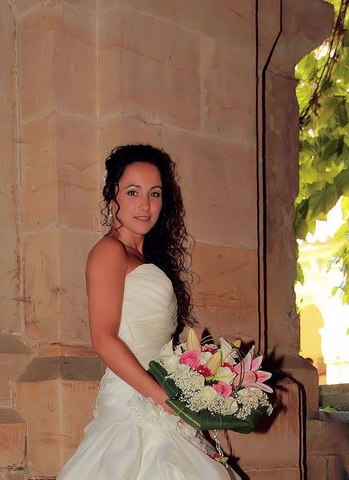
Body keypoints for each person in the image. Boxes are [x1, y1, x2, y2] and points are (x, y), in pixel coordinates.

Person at [57, 145, 239, 479]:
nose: (145, 205)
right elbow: (103, 339)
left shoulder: (142, 257)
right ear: (112, 195)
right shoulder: (109, 252)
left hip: (159, 397)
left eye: (154, 194)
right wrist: (166, 400)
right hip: (135, 403)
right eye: (132, 192)